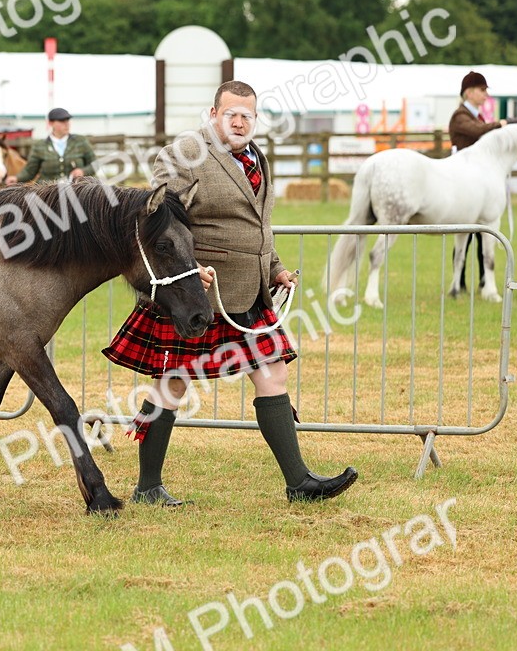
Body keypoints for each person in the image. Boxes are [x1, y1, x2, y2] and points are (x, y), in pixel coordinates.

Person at [103, 81, 359, 506]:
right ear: (213, 113)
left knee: (272, 372)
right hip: (198, 293)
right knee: (173, 383)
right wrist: (188, 272)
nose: (240, 122)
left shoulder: (256, 157)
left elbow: (258, 225)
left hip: (249, 291)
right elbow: (162, 220)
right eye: (231, 114)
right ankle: (148, 487)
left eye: (248, 116)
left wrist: (274, 268)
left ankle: (300, 483)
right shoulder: (183, 155)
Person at [447, 70, 517, 292]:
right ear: (469, 92)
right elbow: (479, 131)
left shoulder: (476, 115)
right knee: (465, 235)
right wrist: (502, 124)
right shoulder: (460, 116)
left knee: (483, 235)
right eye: (482, 90)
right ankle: (459, 280)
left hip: (477, 180)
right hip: (463, 179)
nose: (485, 94)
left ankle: (483, 279)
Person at [5, 107, 96, 185]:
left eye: (67, 120)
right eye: (61, 121)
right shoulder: (39, 146)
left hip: (77, 189)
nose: (66, 123)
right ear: (51, 123)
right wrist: (16, 178)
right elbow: (30, 171)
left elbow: (95, 164)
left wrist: (83, 171)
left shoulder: (81, 141)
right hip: (48, 193)